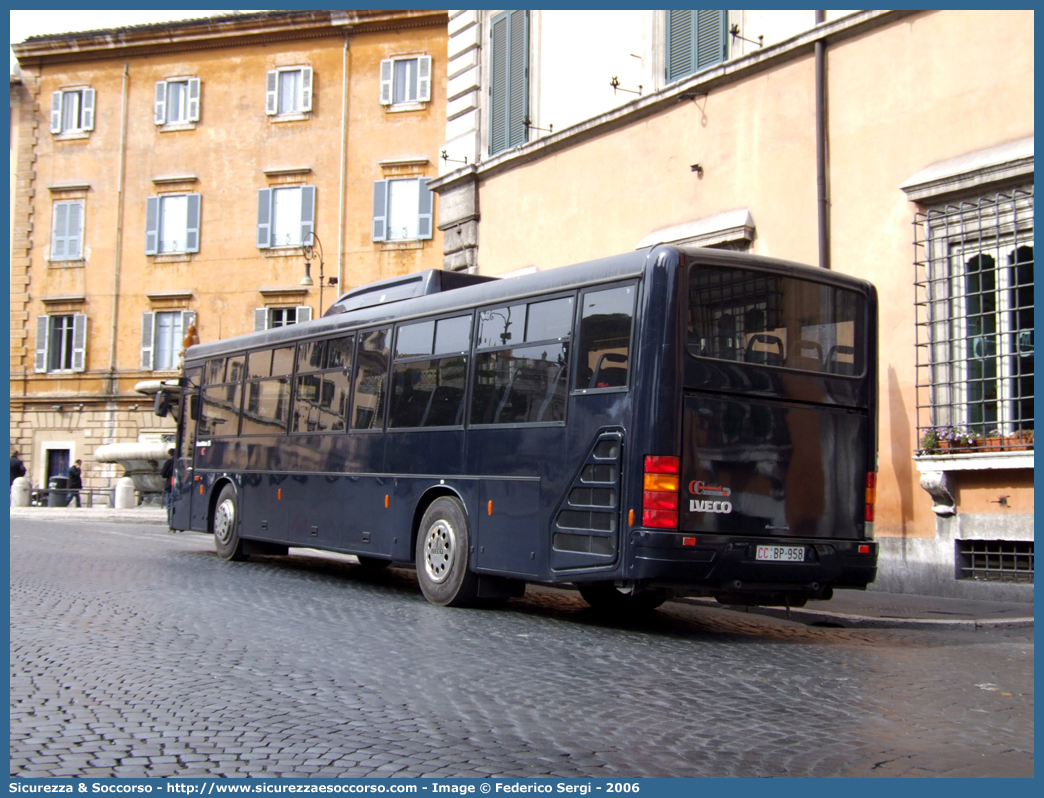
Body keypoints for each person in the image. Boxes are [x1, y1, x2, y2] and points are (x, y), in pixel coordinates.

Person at [161, 448, 176, 525]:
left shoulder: (169, 462)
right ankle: (178, 523)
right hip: (180, 486)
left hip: (170, 485)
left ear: (170, 455)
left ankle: (171, 524)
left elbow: (163, 474)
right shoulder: (180, 461)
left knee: (169, 505)